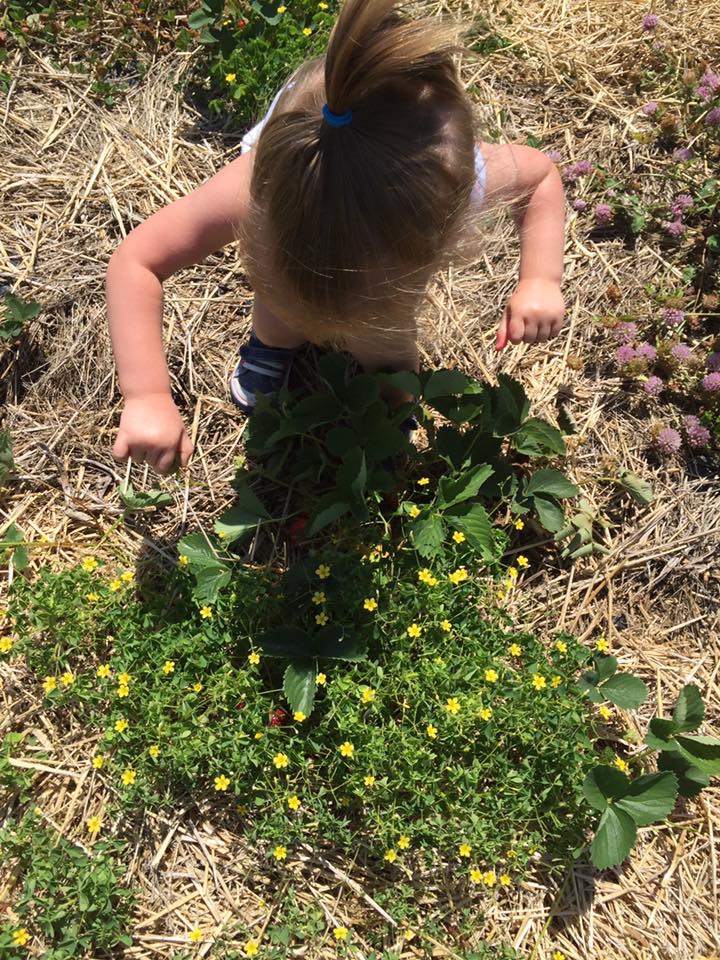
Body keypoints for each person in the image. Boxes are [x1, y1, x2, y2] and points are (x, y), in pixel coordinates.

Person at [106, 0, 567, 477]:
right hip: (309, 185)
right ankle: (273, 343)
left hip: (372, 212)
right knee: (280, 310)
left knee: (388, 352)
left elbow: (540, 180)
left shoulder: (453, 179)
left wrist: (540, 279)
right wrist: (147, 394)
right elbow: (136, 262)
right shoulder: (257, 190)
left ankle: (387, 410)